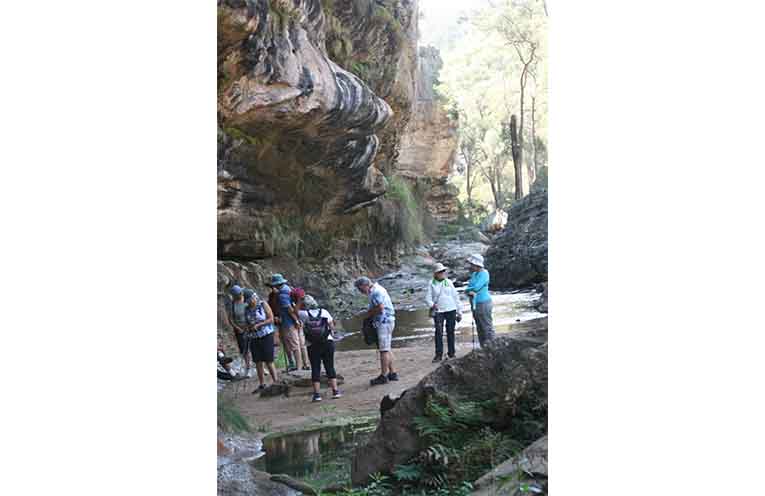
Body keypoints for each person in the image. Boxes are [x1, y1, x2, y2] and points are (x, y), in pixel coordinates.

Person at [298, 295, 343, 402]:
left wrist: (299, 301)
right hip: (327, 342)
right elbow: (332, 327)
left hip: (312, 345)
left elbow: (294, 311)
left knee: (315, 368)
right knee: (330, 366)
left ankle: (317, 395)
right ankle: (335, 391)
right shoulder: (324, 312)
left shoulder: (303, 314)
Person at [354, 276, 398, 385]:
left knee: (383, 350)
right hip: (388, 321)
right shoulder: (379, 289)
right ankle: (393, 373)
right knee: (387, 348)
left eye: (360, 289)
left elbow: (380, 308)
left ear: (365, 285)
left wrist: (368, 314)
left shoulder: (375, 292)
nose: (360, 292)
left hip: (384, 322)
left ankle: (383, 376)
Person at [244, 290, 280, 392]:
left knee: (269, 360)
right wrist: (248, 327)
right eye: (248, 301)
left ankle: (276, 382)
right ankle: (262, 384)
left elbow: (271, 319)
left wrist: (259, 325)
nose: (250, 302)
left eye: (251, 300)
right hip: (254, 337)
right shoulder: (246, 309)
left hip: (266, 334)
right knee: (258, 361)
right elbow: (246, 322)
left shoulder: (263, 304)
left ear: (254, 297)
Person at [425, 263, 461, 362]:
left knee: (451, 332)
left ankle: (451, 353)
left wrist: (459, 311)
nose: (442, 273)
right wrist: (432, 305)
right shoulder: (431, 283)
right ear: (435, 273)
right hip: (438, 311)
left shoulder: (448, 282)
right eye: (440, 272)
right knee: (439, 332)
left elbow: (455, 296)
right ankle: (438, 355)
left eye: (443, 271)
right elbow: (427, 298)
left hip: (451, 309)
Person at [465, 254, 494, 346]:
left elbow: (476, 287)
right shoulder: (474, 274)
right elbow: (469, 287)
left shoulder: (485, 273)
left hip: (484, 303)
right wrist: (469, 290)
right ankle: (483, 347)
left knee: (487, 326)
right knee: (479, 327)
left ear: (476, 264)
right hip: (474, 303)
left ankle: (492, 346)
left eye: (472, 264)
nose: (470, 266)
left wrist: (468, 290)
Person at [223, 285, 251, 376]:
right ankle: (248, 369)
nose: (240, 294)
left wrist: (250, 324)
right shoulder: (232, 304)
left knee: (255, 347)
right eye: (238, 294)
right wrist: (237, 328)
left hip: (251, 327)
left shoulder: (247, 300)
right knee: (244, 350)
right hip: (240, 330)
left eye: (240, 293)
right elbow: (230, 319)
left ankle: (262, 367)